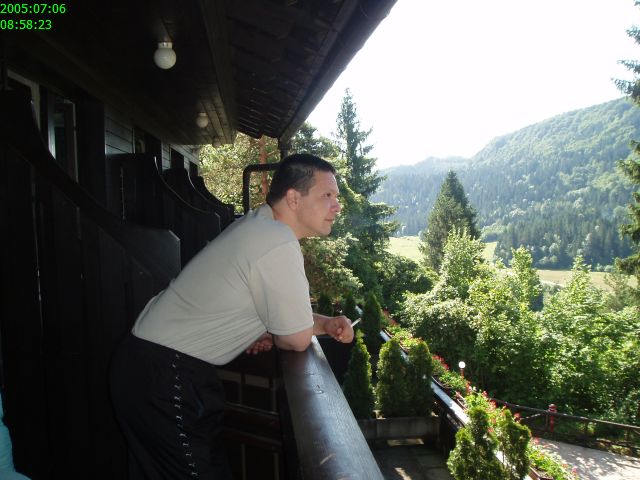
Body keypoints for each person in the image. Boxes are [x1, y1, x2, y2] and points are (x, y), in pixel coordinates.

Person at [109, 153, 355, 479]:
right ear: (294, 198)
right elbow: (295, 339)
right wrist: (286, 332)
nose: (337, 206)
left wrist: (323, 323)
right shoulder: (275, 239)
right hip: (166, 377)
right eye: (327, 195)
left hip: (151, 368)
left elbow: (278, 317)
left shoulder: (258, 225)